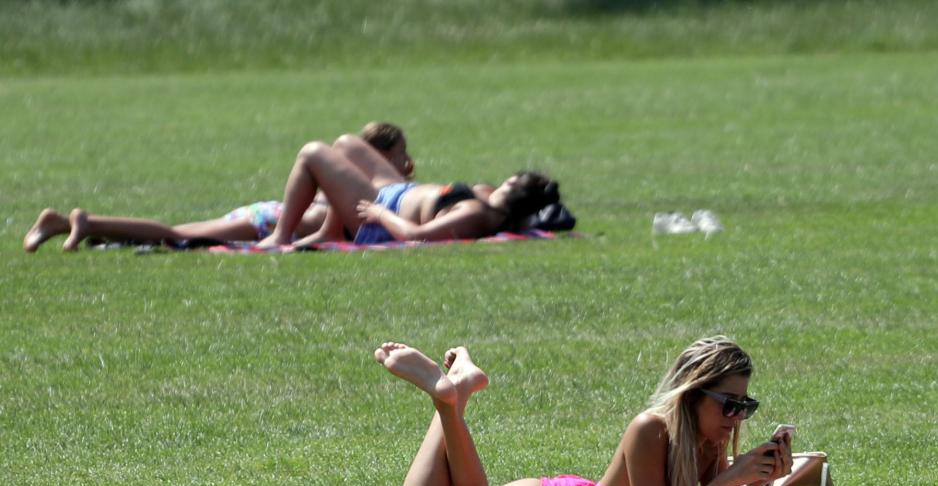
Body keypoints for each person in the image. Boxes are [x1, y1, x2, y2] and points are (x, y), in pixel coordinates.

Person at [374, 336, 793, 486]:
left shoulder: (709, 439)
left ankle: (459, 391)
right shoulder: (650, 428)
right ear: (694, 394)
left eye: (745, 405)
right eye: (729, 404)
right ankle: (447, 402)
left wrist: (754, 480)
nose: (737, 416)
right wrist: (726, 481)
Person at [22, 122, 415, 252]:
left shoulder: (361, 187)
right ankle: (87, 223)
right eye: (399, 156)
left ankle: (66, 224)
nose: (406, 164)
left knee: (182, 236)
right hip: (271, 221)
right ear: (381, 156)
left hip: (272, 214)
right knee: (178, 236)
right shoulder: (367, 187)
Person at [255, 139, 560, 248]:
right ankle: (329, 231)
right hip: (396, 192)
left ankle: (282, 236)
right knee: (347, 144)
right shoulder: (489, 202)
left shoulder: (476, 214)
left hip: (378, 213)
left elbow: (417, 235)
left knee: (312, 153)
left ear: (511, 187)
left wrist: (380, 214)